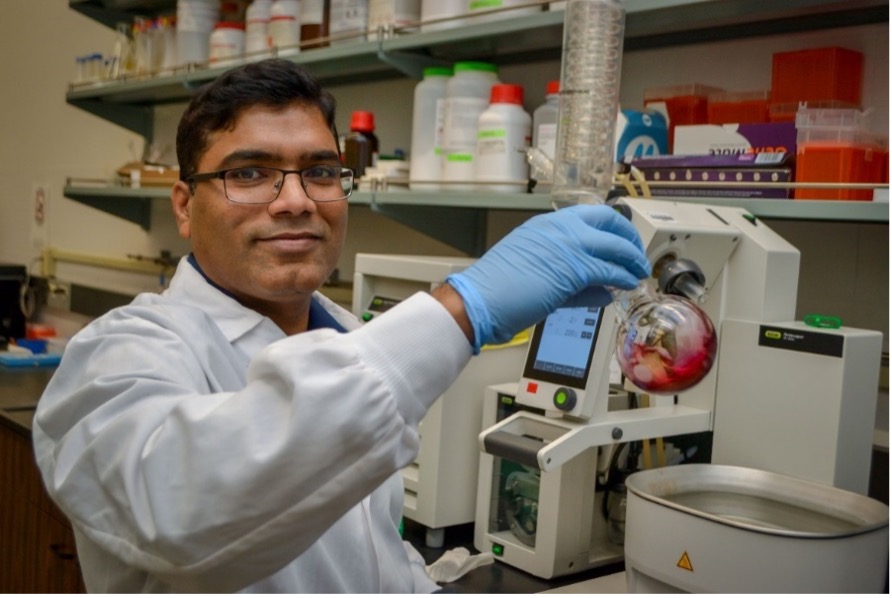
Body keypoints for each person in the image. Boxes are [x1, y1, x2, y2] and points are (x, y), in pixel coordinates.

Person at [32, 58, 650, 593]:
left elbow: (373, 554)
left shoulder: (352, 337)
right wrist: (463, 309)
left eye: (322, 172)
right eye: (249, 174)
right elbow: (181, 519)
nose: (296, 200)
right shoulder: (117, 354)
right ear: (186, 206)